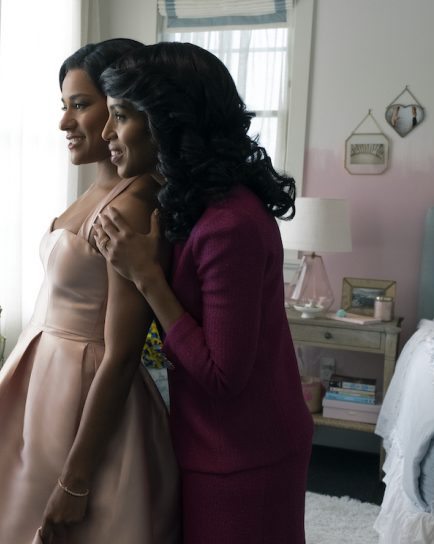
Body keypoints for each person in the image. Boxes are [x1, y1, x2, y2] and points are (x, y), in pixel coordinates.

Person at [0, 38, 179, 544]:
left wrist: (76, 478)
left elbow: (124, 353)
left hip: (82, 400)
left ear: (119, 106)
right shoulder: (97, 192)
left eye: (81, 106)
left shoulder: (131, 208)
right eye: (63, 106)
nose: (66, 122)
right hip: (42, 389)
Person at [92, 42, 314, 543]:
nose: (107, 132)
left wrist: (146, 277)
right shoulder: (194, 205)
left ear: (169, 122)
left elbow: (222, 374)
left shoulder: (229, 224)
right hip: (219, 445)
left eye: (121, 116)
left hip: (247, 456)